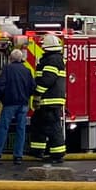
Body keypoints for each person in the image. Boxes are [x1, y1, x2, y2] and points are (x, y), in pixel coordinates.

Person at [0, 47, 34, 166]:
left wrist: (3, 98)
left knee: (3, 129)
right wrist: (25, 97)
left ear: (10, 58)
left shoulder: (7, 69)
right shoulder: (27, 70)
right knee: (21, 130)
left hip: (9, 104)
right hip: (23, 104)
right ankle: (18, 157)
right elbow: (32, 87)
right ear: (21, 59)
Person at [29, 33, 67, 163]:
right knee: (38, 124)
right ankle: (37, 151)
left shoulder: (53, 60)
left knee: (52, 126)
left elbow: (48, 79)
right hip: (48, 100)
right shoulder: (52, 59)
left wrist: (37, 93)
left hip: (50, 100)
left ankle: (57, 154)